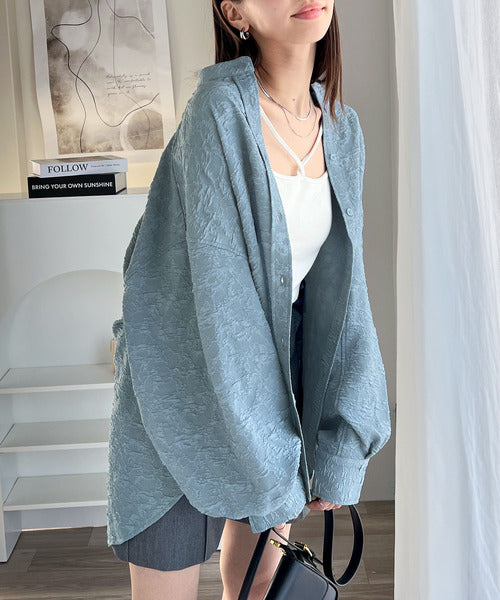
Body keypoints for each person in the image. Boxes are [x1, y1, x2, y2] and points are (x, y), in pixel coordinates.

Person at [106, 1, 392, 599]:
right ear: (234, 11)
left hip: (269, 398)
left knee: (261, 582)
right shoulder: (218, 110)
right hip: (180, 391)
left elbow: (345, 300)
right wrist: (275, 462)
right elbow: (223, 305)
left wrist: (341, 441)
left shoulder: (341, 128)